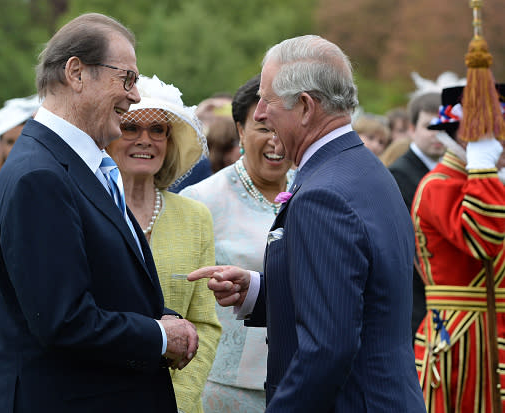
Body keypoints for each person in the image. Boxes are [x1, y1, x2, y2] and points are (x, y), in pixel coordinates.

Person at [188, 35, 426, 411]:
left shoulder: (324, 194)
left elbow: (328, 347)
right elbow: (353, 297)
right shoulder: (363, 168)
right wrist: (258, 291)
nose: (261, 112)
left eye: (267, 99)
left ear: (304, 107)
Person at [0, 13, 198, 413]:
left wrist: (164, 320)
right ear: (76, 73)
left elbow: (106, 287)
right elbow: (63, 321)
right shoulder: (40, 176)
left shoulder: (76, 165)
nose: (135, 96)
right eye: (128, 79)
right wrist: (159, 337)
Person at [106, 74, 221, 413]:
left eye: (157, 130)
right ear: (109, 136)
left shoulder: (195, 216)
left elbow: (206, 324)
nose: (146, 140)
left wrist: (180, 400)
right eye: (131, 129)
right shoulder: (89, 210)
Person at [181, 74, 294, 413]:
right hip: (224, 385)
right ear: (240, 131)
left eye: (282, 127)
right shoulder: (202, 200)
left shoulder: (315, 192)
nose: (276, 141)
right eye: (263, 128)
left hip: (301, 378)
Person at [412, 84, 505, 411]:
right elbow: (484, 239)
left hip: (488, 336)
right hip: (463, 341)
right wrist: (482, 168)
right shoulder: (440, 185)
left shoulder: (487, 182)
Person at [388, 91, 444, 341]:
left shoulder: (446, 172)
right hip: (415, 296)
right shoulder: (399, 174)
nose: (437, 133)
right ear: (411, 129)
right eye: (429, 125)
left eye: (443, 125)